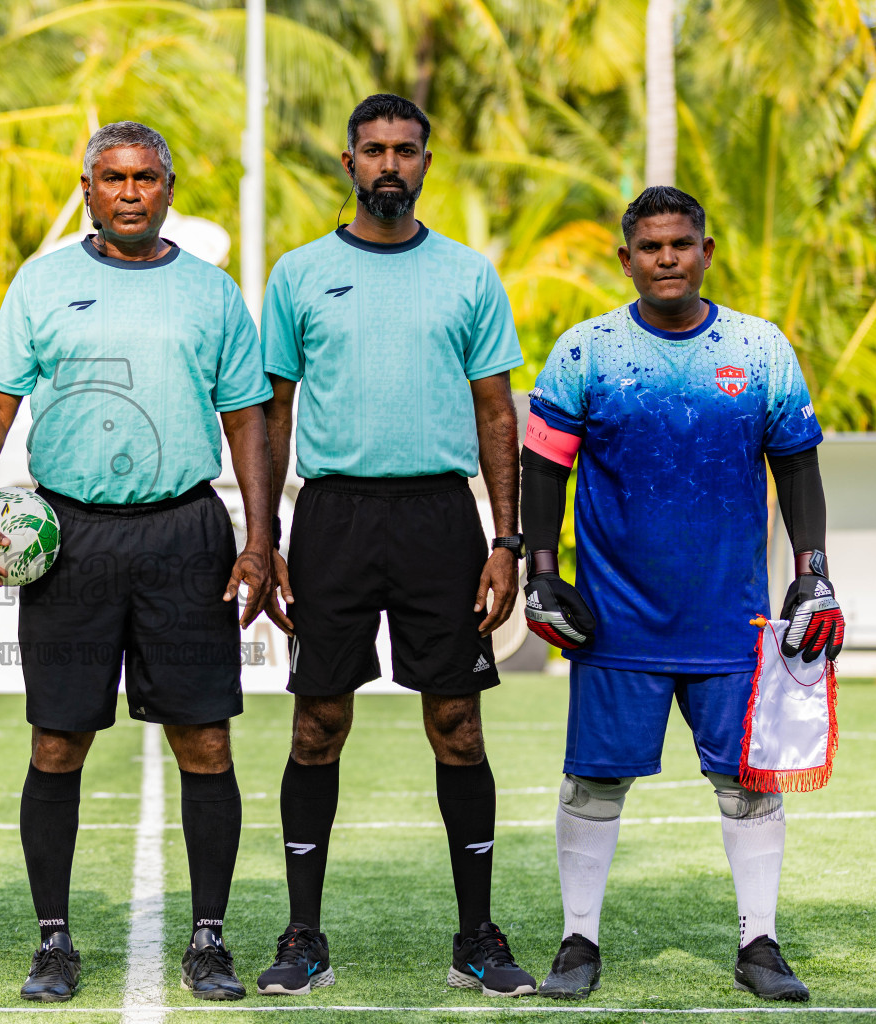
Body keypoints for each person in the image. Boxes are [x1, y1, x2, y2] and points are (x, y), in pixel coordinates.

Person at [0, 121, 275, 1003]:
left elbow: (247, 417)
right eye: (114, 178)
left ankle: (208, 939)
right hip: (71, 540)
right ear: (87, 189)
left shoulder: (212, 293)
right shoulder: (43, 282)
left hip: (184, 535)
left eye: (146, 177)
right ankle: (53, 941)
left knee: (205, 739)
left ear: (169, 189)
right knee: (58, 741)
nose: (131, 192)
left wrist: (261, 538)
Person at [521, 185, 840, 1003]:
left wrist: (813, 570)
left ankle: (760, 945)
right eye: (650, 246)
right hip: (615, 619)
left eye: (681, 244)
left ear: (706, 252)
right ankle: (578, 942)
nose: (667, 258)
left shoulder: (760, 348)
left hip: (732, 617)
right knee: (593, 784)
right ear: (625, 259)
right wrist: (541, 572)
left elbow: (797, 466)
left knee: (749, 784)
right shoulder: (586, 350)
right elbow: (544, 467)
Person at [255, 94, 536, 998]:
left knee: (457, 724)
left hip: (440, 521)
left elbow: (497, 414)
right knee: (317, 724)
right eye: (373, 150)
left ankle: (476, 937)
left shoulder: (467, 275)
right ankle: (303, 935)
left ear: (424, 163)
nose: (389, 164)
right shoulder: (299, 274)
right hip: (332, 518)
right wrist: (264, 538)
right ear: (349, 163)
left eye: (404, 150)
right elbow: (273, 413)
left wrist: (506, 541)